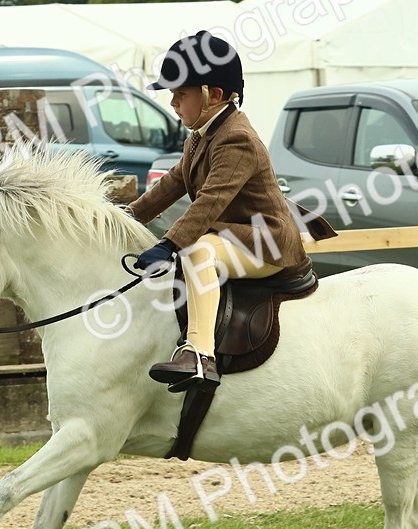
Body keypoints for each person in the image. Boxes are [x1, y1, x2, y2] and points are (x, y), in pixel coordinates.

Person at [125, 31, 330, 392]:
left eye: (180, 93)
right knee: (198, 245)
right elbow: (173, 183)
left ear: (214, 95)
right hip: (238, 236)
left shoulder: (237, 138)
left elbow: (210, 201)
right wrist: (126, 216)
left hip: (267, 243)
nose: (173, 102)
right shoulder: (201, 134)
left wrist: (170, 244)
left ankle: (200, 356)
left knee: (199, 252)